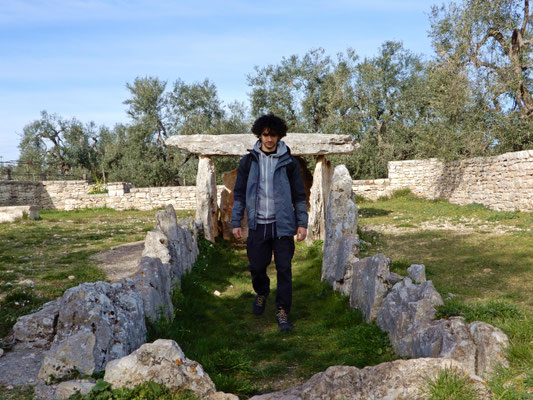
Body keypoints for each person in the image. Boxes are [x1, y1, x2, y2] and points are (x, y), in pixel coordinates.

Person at [231, 113, 308, 332]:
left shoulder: (289, 162)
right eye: (265, 134)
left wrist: (302, 223)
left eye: (273, 135)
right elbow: (238, 194)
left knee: (284, 269)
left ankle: (282, 310)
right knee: (256, 266)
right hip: (258, 225)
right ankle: (262, 292)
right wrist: (236, 220)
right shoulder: (248, 162)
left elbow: (299, 196)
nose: (269, 139)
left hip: (282, 225)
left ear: (279, 136)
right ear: (259, 135)